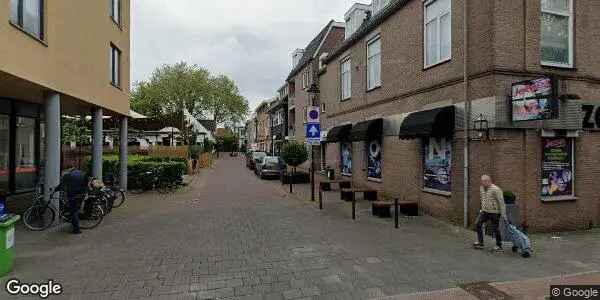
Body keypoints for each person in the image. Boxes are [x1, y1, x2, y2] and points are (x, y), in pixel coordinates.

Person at [474, 175, 506, 251]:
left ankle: (499, 246)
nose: (482, 183)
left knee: (495, 229)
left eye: (484, 181)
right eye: (482, 181)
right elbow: (482, 199)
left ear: (489, 181)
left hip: (494, 212)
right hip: (485, 211)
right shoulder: (481, 188)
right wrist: (482, 209)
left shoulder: (496, 189)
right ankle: (480, 243)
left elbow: (501, 202)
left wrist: (503, 214)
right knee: (478, 223)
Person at [59, 168, 88, 234]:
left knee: (73, 211)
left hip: (73, 195)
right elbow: (86, 183)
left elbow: (62, 185)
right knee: (76, 209)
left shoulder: (67, 176)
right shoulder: (82, 173)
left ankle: (76, 229)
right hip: (81, 194)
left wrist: (56, 189)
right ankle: (74, 222)